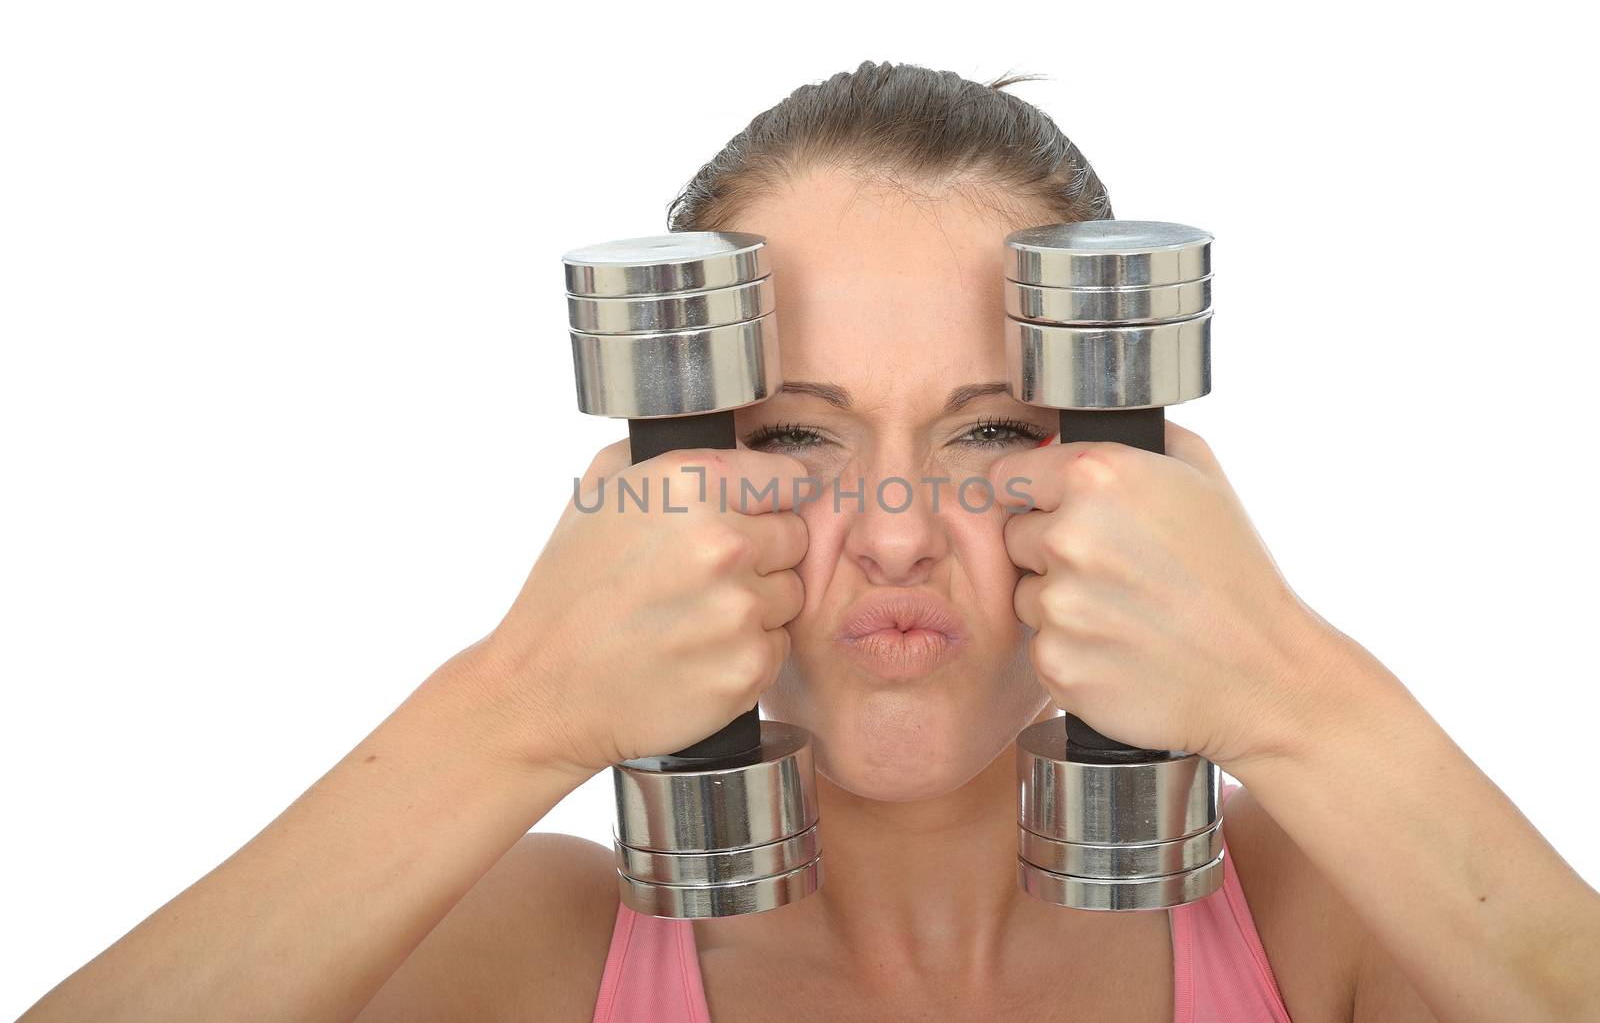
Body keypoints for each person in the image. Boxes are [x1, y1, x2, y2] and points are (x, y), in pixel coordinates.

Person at [18, 60, 1599, 1023]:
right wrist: (514, 702)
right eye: (794, 438)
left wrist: (1295, 689)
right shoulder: (543, 955)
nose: (897, 532)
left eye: (988, 432)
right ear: (672, 466)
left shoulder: (1314, 913)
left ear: (1129, 470)